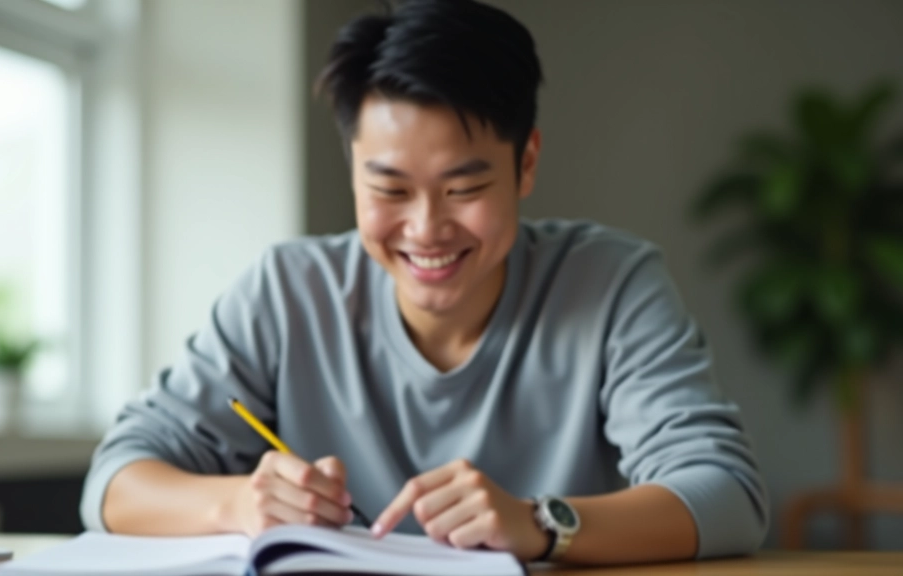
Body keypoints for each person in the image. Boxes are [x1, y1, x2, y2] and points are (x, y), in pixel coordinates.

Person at [80, 0, 768, 565]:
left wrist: (540, 523)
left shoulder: (611, 283)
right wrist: (236, 503)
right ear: (353, 169)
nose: (426, 228)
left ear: (526, 163)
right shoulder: (287, 291)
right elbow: (115, 480)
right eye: (391, 189)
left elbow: (727, 493)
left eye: (464, 187)